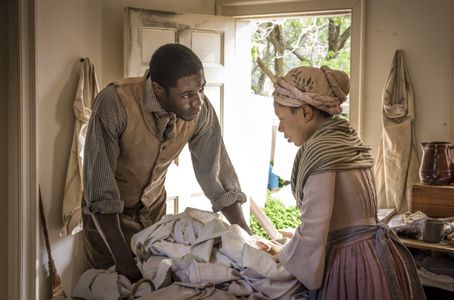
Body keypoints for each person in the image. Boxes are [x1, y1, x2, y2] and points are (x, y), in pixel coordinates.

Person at [82, 43, 251, 282]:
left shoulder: (200, 110)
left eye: (201, 90)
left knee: (156, 286)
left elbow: (217, 176)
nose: (198, 102)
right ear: (159, 90)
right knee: (112, 287)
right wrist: (123, 259)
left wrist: (246, 238)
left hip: (154, 215)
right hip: (108, 224)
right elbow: (99, 190)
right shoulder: (115, 103)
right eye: (187, 94)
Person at [270, 65, 426, 299]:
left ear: (305, 112)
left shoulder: (322, 151)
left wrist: (280, 261)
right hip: (376, 255)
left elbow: (314, 230)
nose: (281, 128)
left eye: (282, 118)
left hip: (350, 264)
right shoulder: (347, 139)